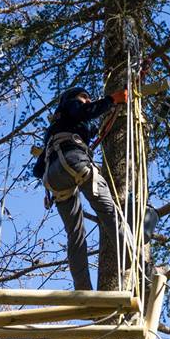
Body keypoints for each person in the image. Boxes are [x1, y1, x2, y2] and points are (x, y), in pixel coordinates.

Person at [33, 86, 128, 290]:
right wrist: (112, 99)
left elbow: (37, 169)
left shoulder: (55, 130)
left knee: (75, 236)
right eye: (84, 97)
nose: (87, 100)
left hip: (54, 180)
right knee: (108, 212)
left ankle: (83, 289)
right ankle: (132, 258)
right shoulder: (71, 106)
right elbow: (85, 111)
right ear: (71, 99)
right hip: (75, 163)